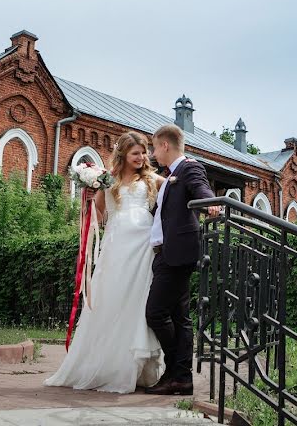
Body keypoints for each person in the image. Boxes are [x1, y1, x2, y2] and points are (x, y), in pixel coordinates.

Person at [44, 132, 166, 393]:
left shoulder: (151, 178)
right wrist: (88, 199)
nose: (142, 157)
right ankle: (106, 364)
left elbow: (174, 186)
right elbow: (99, 214)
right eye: (136, 153)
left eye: (144, 152)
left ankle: (135, 367)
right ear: (123, 154)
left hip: (143, 245)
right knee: (112, 298)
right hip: (117, 244)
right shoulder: (107, 180)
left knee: (137, 299)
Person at [143, 124, 217, 395]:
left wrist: (210, 204)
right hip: (168, 253)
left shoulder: (189, 168)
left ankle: (176, 370)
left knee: (156, 313)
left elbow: (201, 189)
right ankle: (181, 378)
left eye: (153, 146)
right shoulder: (170, 175)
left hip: (176, 255)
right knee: (179, 317)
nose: (152, 153)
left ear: (165, 145)